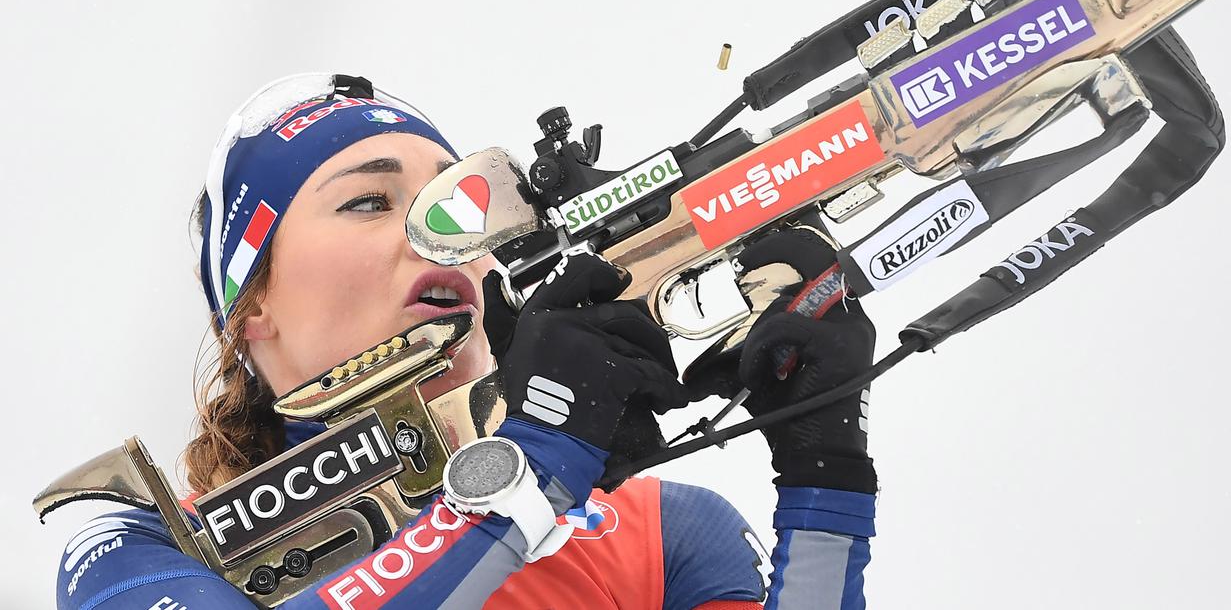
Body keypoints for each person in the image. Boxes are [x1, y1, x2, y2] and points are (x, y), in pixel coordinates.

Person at [53, 74, 879, 609]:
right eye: (369, 202)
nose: (442, 239)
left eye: (460, 211)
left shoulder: (660, 529)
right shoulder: (131, 545)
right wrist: (535, 466)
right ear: (252, 308)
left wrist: (824, 480)